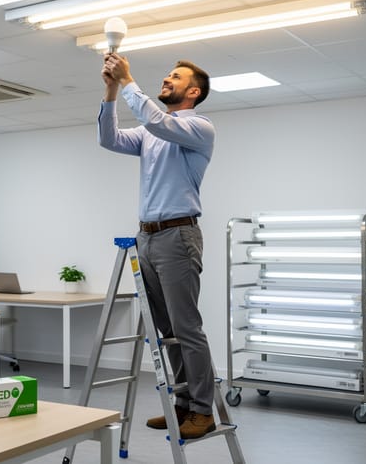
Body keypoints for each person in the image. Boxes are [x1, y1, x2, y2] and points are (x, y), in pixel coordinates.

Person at [98, 53, 216, 440]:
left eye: (175, 77)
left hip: (178, 236)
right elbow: (109, 139)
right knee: (166, 329)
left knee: (187, 327)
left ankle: (202, 410)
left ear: (193, 91)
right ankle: (182, 405)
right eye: (167, 74)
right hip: (146, 237)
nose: (167, 79)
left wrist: (129, 79)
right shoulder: (152, 132)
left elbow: (155, 120)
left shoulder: (198, 126)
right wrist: (112, 90)